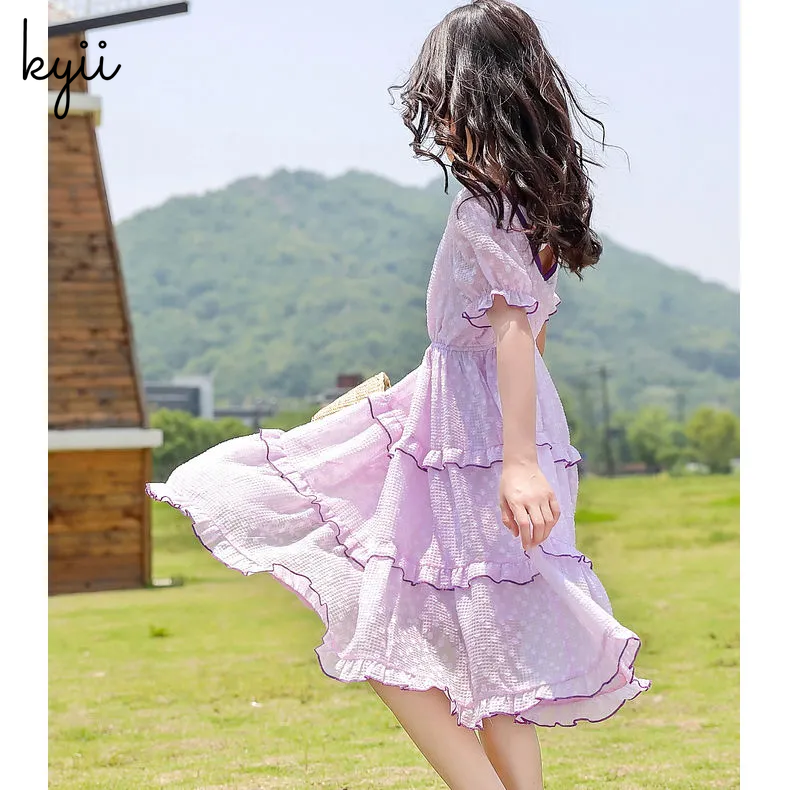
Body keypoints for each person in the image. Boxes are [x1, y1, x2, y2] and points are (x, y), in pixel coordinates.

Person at [147, 2, 651, 787]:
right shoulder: (527, 202)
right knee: (489, 649)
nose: (438, 123)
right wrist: (506, 445)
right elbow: (521, 338)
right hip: (469, 424)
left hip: (476, 438)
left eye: (443, 104)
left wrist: (518, 463)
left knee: (388, 628)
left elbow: (513, 334)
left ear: (477, 99)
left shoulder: (486, 208)